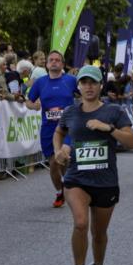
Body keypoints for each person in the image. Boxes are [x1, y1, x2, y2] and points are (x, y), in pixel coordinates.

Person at [53, 66, 133, 265]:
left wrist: (108, 128)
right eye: (84, 83)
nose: (88, 87)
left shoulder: (114, 111)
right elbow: (59, 132)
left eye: (93, 83)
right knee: (80, 223)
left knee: (99, 233)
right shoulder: (71, 112)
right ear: (78, 87)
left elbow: (130, 141)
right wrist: (58, 151)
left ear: (101, 85)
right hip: (76, 178)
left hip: (105, 180)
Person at [25, 50, 78, 208]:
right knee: (54, 163)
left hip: (68, 128)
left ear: (62, 64)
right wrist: (34, 105)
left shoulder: (71, 80)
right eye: (51, 60)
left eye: (57, 60)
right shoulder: (40, 82)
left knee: (65, 158)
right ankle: (59, 192)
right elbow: (29, 101)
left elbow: (83, 94)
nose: (54, 62)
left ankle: (69, 188)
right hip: (48, 128)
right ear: (47, 64)